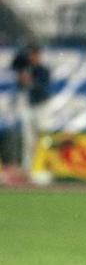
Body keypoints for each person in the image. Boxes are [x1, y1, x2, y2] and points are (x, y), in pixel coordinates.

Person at [10, 44, 50, 176]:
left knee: (42, 137)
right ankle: (27, 169)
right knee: (28, 139)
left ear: (39, 56)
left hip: (41, 106)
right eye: (31, 54)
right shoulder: (26, 67)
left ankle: (43, 166)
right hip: (29, 106)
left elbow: (43, 89)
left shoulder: (42, 70)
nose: (32, 57)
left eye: (35, 54)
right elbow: (14, 64)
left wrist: (30, 82)